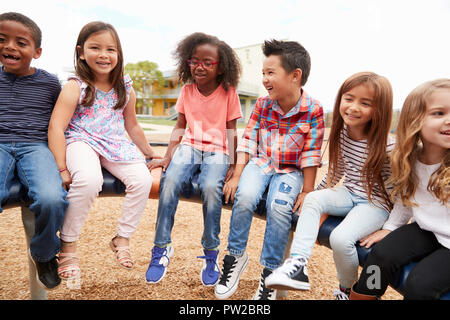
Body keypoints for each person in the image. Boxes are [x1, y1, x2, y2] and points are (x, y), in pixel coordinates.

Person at [265, 71, 395, 300]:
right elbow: (337, 172)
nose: (353, 107)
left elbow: (402, 191)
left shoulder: (388, 146)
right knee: (313, 199)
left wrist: (391, 227)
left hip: (375, 204)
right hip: (349, 193)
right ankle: (297, 266)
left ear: (380, 110)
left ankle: (346, 289)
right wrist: (315, 194)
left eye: (365, 103)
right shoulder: (343, 132)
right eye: (349, 98)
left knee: (340, 238)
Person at [214, 39, 325, 300]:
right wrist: (238, 173)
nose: (264, 79)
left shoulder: (313, 110)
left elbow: (311, 154)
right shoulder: (263, 105)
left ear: (295, 76)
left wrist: (308, 190)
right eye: (263, 73)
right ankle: (236, 256)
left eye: (270, 72)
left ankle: (271, 274)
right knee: (245, 197)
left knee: (279, 206)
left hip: (290, 171)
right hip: (261, 164)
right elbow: (249, 140)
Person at [48, 21, 157, 280]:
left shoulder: (125, 87)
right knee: (89, 179)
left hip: (114, 142)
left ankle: (122, 237)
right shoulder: (76, 85)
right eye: (95, 47)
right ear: (82, 52)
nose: (104, 55)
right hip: (81, 140)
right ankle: (68, 243)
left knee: (143, 179)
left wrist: (151, 154)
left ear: (118, 54)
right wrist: (62, 167)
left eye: (111, 49)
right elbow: (56, 126)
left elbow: (132, 125)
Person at [145, 32, 242, 287]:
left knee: (211, 188)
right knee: (170, 180)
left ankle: (211, 253)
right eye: (194, 61)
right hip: (190, 146)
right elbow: (180, 125)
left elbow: (231, 130)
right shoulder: (187, 91)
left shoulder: (228, 92)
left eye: (208, 62)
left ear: (221, 68)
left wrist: (233, 166)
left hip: (218, 150)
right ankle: (161, 247)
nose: (200, 66)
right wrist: (167, 157)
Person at [350, 79, 450, 300]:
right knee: (379, 256)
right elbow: (407, 198)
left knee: (420, 284)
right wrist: (391, 227)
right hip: (428, 230)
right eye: (439, 113)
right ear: (414, 120)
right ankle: (364, 295)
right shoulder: (411, 159)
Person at [0, 12, 68, 289]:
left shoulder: (50, 83)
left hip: (35, 146)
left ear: (37, 52)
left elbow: (61, 121)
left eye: (21, 42)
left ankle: (43, 253)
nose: (10, 47)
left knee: (52, 198)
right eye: (2, 40)